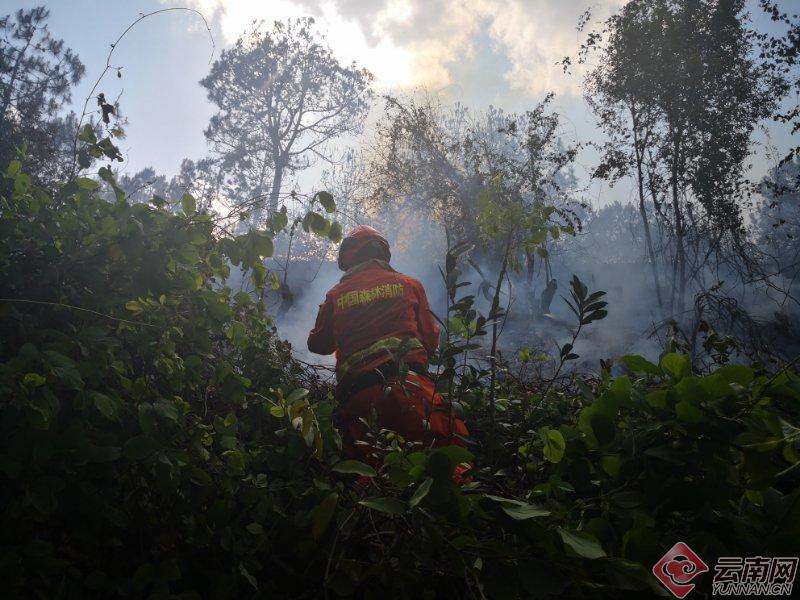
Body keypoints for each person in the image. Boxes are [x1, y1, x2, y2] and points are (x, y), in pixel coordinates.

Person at [307, 225, 469, 462]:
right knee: (449, 464)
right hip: (412, 388)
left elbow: (318, 345)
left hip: (361, 400)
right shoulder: (410, 285)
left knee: (373, 480)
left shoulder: (336, 295)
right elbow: (431, 341)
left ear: (349, 257)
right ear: (383, 253)